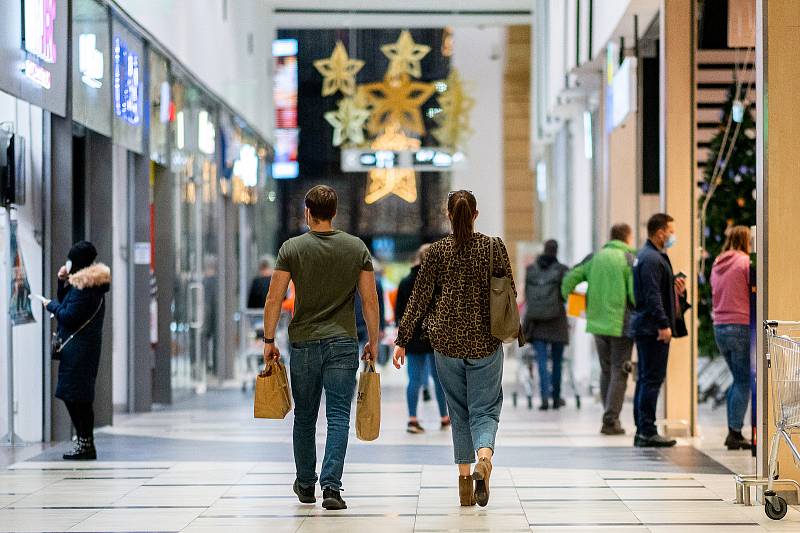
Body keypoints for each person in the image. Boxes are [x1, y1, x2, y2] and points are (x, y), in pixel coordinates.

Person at [393, 190, 516, 508]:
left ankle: (464, 483)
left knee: (458, 412)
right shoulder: (492, 246)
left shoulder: (435, 252)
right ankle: (484, 457)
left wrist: (403, 340)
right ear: (475, 215)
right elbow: (508, 290)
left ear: (448, 214)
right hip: (485, 341)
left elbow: (418, 297)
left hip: (446, 342)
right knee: (485, 408)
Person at [261, 185, 380, 511]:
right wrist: (373, 340)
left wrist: (269, 341)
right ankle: (331, 487)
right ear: (335, 212)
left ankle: (304, 483)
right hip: (343, 341)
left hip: (304, 343)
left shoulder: (292, 248)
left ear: (308, 212)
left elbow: (274, 298)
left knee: (305, 416)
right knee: (339, 416)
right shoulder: (356, 248)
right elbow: (369, 300)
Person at [37, 241, 110, 460]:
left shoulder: (85, 289)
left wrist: (49, 305)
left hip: (79, 351)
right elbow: (68, 302)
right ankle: (84, 442)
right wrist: (62, 281)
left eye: (70, 259)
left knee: (76, 397)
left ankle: (85, 443)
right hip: (82, 349)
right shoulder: (87, 285)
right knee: (76, 396)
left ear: (77, 262)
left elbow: (68, 315)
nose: (67, 263)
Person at [562, 224, 636, 435]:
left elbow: (569, 280)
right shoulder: (627, 259)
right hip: (620, 323)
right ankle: (611, 420)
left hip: (596, 323)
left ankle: (609, 416)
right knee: (620, 371)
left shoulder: (595, 257)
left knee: (606, 370)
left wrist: (571, 301)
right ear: (627, 238)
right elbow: (633, 294)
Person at [631, 213, 686, 448]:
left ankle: (643, 429)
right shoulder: (652, 258)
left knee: (645, 379)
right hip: (652, 328)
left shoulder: (648, 256)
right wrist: (663, 324)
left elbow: (656, 290)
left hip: (645, 325)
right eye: (671, 230)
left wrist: (674, 288)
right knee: (652, 379)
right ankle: (647, 430)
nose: (673, 235)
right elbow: (653, 296)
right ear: (660, 231)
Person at [395, 243, 450, 434]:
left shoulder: (406, 281)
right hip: (436, 336)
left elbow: (399, 314)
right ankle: (444, 418)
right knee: (440, 379)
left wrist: (401, 338)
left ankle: (412, 419)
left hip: (413, 337)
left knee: (414, 379)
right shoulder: (440, 281)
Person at [710, 225, 753, 450]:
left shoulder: (717, 263)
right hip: (740, 326)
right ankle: (735, 432)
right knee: (744, 380)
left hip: (720, 327)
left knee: (737, 379)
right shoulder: (745, 263)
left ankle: (733, 430)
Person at [523, 239, 569, 411]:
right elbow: (565, 294)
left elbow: (527, 296)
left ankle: (543, 398)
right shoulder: (562, 270)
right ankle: (556, 398)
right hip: (557, 321)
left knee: (541, 362)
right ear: (556, 251)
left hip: (537, 323)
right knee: (556, 362)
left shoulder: (531, 270)